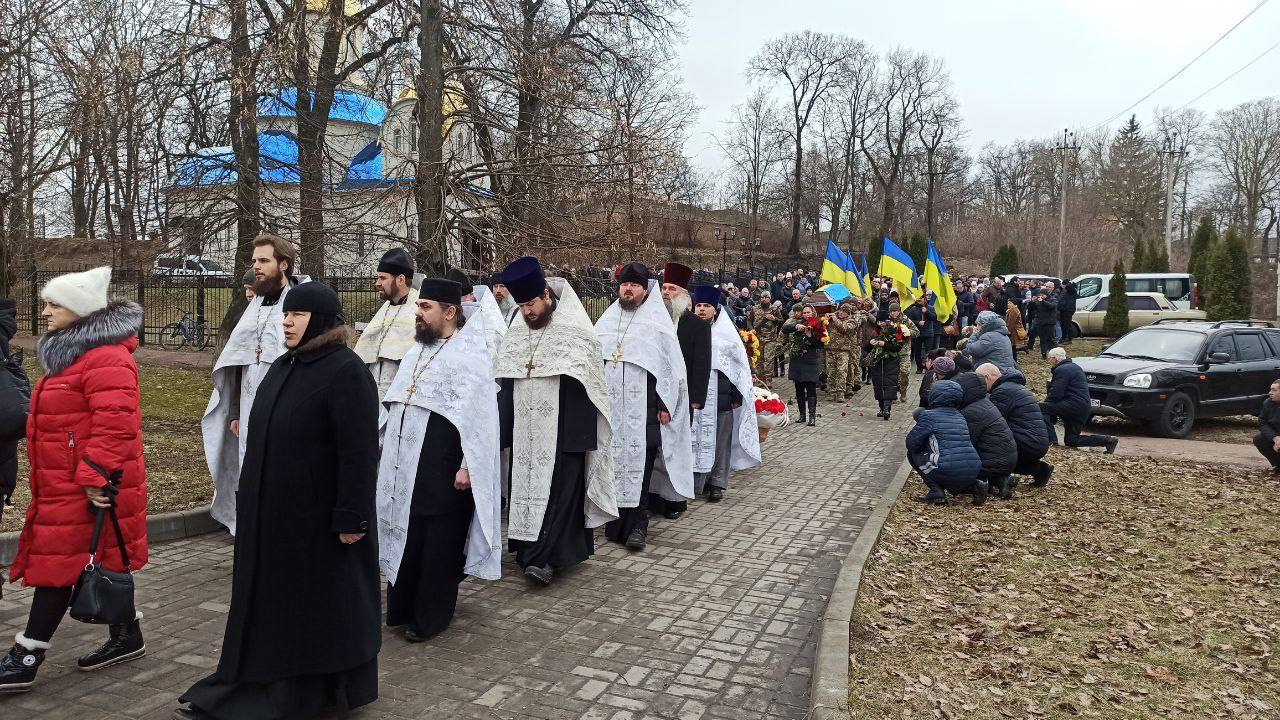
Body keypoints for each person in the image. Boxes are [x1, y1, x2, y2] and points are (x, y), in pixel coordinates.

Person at [178, 282, 380, 719]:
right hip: (273, 520)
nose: (286, 322)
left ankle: (309, 693)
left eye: (297, 315)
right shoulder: (286, 364)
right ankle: (252, 682)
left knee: (317, 608)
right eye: (286, 314)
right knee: (270, 607)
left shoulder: (346, 371)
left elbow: (359, 453)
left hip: (318, 524)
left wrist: (352, 517)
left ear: (320, 320)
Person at [1, 268, 147, 692]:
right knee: (102, 557)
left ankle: (27, 655)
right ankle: (127, 635)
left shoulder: (107, 357)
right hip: (68, 480)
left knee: (59, 563)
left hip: (88, 484)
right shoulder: (73, 352)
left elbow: (116, 423)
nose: (44, 311)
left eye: (54, 304)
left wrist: (94, 475)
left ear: (80, 310)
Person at [376, 278, 502, 643]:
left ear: (450, 312)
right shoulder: (417, 350)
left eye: (425, 307)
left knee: (439, 543)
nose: (417, 312)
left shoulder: (471, 357)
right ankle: (402, 608)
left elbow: (482, 420)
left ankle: (431, 617)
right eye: (418, 305)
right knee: (410, 532)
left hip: (445, 465)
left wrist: (467, 465)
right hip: (407, 463)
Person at [494, 257, 618, 585]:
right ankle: (527, 549)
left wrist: (576, 436)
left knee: (559, 495)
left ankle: (547, 559)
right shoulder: (518, 328)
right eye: (521, 306)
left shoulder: (576, 329)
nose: (527, 312)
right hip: (525, 431)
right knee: (524, 487)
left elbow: (589, 382)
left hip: (564, 430)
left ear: (547, 295)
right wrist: (505, 428)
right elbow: (507, 377)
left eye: (531, 304)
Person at [202, 233, 301, 534]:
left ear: (283, 264)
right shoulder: (255, 303)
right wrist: (234, 410)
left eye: (263, 260)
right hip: (248, 407)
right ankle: (251, 531)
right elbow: (237, 363)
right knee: (249, 467)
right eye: (254, 260)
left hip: (286, 407)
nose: (256, 266)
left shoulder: (299, 303)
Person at [595, 265, 693, 551]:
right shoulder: (607, 320)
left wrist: (664, 404)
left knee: (642, 468)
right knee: (614, 465)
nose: (628, 289)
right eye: (624, 284)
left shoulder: (656, 322)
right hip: (613, 410)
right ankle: (615, 523)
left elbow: (669, 369)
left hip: (646, 410)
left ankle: (638, 527)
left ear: (644, 290)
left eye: (634, 285)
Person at [689, 286, 761, 501]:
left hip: (721, 397)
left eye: (706, 306)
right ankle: (695, 482)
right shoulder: (686, 329)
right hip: (694, 396)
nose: (702, 309)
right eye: (699, 305)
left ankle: (717, 483)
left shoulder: (727, 335)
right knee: (694, 440)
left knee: (721, 441)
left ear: (715, 309)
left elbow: (739, 368)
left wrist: (735, 396)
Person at [652, 262, 710, 520]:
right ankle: (655, 496)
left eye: (672, 289)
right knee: (657, 449)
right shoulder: (654, 321)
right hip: (656, 396)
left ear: (684, 295)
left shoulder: (697, 325)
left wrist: (697, 399)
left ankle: (675, 500)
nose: (666, 292)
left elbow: (702, 364)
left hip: (683, 398)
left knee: (676, 449)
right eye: (664, 287)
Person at [906, 380, 986, 506]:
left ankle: (936, 491)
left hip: (946, 467)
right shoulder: (960, 416)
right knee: (955, 469)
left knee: (912, 454)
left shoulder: (928, 416)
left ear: (934, 395)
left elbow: (911, 443)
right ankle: (974, 485)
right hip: (973, 466)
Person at [353, 248, 419, 398]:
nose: (377, 283)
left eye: (382, 278)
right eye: (377, 278)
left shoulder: (418, 309)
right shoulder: (385, 309)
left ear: (401, 279)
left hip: (401, 391)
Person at [979, 363, 1053, 493]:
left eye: (980, 381)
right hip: (1037, 441)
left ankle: (999, 480)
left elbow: (993, 423)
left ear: (987, 377)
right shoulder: (1014, 387)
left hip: (1027, 442)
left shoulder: (1001, 392)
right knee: (1009, 455)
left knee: (990, 449)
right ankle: (1039, 470)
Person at [953, 371, 1017, 499]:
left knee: (955, 468)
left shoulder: (971, 411)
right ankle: (1001, 481)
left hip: (993, 462)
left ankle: (976, 485)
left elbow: (967, 443)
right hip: (1007, 459)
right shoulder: (985, 403)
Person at [1041, 347, 1118, 453]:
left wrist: (1049, 410)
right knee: (1071, 440)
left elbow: (1056, 394)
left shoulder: (1062, 370)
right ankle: (1108, 440)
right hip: (1083, 408)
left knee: (1041, 408)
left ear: (1055, 359)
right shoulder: (1075, 367)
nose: (1049, 361)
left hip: (1072, 406)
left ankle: (1052, 441)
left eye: (1050, 359)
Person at [783, 303, 825, 426]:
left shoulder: (818, 324)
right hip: (797, 360)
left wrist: (810, 336)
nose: (806, 315)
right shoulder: (798, 322)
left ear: (813, 313)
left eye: (808, 312)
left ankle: (812, 417)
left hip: (810, 360)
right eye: (804, 312)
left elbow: (820, 345)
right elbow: (784, 328)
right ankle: (802, 415)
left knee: (811, 389)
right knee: (799, 388)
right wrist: (796, 326)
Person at [868, 305, 907, 420]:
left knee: (889, 384)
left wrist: (884, 344)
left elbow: (898, 346)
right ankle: (881, 408)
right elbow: (866, 347)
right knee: (878, 385)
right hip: (877, 362)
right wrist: (870, 343)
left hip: (891, 362)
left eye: (883, 321)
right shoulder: (874, 331)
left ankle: (887, 409)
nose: (881, 323)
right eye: (879, 321)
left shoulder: (894, 329)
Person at [825, 300, 863, 402]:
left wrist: (836, 319)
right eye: (841, 310)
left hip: (843, 351)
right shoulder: (833, 318)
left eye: (844, 311)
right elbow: (822, 327)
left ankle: (840, 393)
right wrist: (825, 319)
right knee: (831, 372)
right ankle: (832, 392)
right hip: (830, 349)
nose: (841, 313)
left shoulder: (852, 321)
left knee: (841, 372)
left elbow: (845, 329)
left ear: (848, 313)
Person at [749, 293, 784, 384]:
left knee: (768, 359)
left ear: (770, 298)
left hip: (770, 339)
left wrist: (774, 319)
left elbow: (781, 321)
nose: (764, 299)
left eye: (766, 297)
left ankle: (768, 380)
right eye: (762, 297)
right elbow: (749, 320)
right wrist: (751, 329)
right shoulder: (754, 308)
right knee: (759, 360)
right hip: (758, 339)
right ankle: (761, 380)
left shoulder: (774, 309)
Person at [905, 295, 940, 373]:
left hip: (928, 333)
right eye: (918, 298)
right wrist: (918, 322)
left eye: (921, 298)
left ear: (925, 299)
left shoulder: (930, 308)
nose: (919, 299)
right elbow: (909, 321)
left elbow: (935, 318)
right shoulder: (913, 309)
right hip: (917, 333)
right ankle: (919, 367)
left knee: (929, 352)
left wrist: (926, 311)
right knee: (917, 351)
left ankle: (929, 368)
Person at [1254, 380, 1280, 471]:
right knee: (1259, 439)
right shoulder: (1268, 403)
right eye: (1270, 389)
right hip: (1276, 435)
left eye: (1274, 390)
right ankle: (1278, 464)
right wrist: (1275, 438)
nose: (1270, 393)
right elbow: (1262, 422)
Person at [1058, 280, 1077, 345]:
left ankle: (1069, 338)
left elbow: (1069, 287)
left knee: (1067, 324)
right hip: (1062, 309)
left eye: (1062, 284)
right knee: (1062, 324)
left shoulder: (1072, 290)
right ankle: (1063, 338)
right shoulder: (1064, 290)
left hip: (1068, 310)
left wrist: (1068, 284)